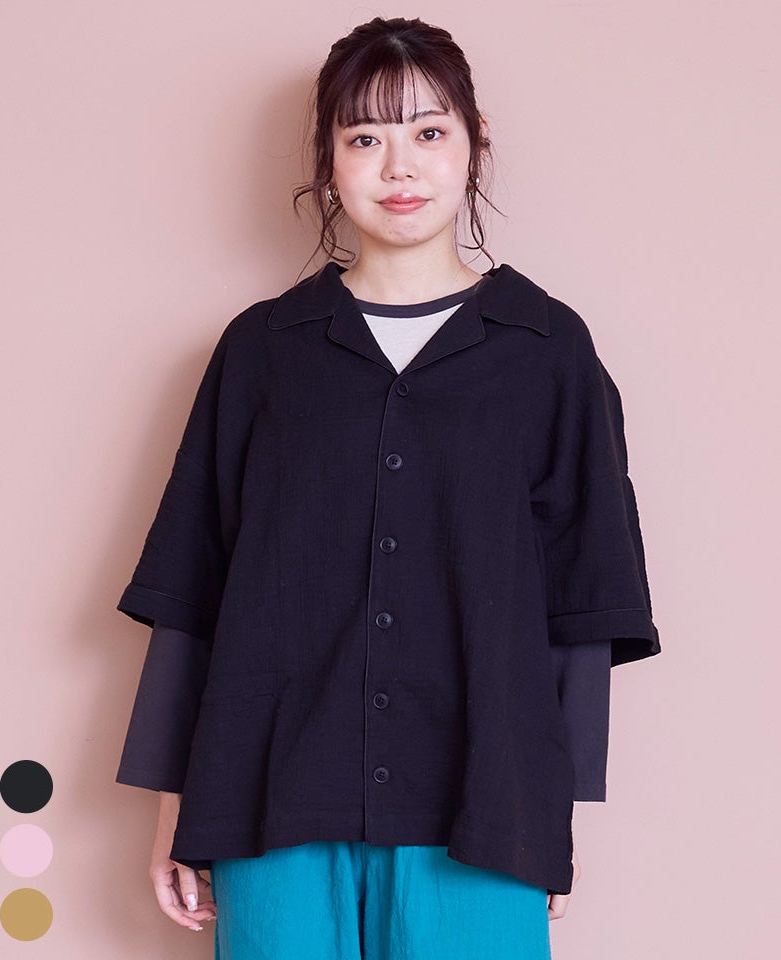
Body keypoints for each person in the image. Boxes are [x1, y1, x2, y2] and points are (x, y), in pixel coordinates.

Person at [114, 15, 661, 960]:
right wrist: (177, 804)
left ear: (474, 143)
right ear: (328, 163)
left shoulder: (548, 351)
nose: (398, 165)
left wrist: (548, 819)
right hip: (270, 800)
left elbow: (587, 603)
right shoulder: (262, 351)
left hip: (483, 808)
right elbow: (191, 591)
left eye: (428, 131)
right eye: (364, 137)